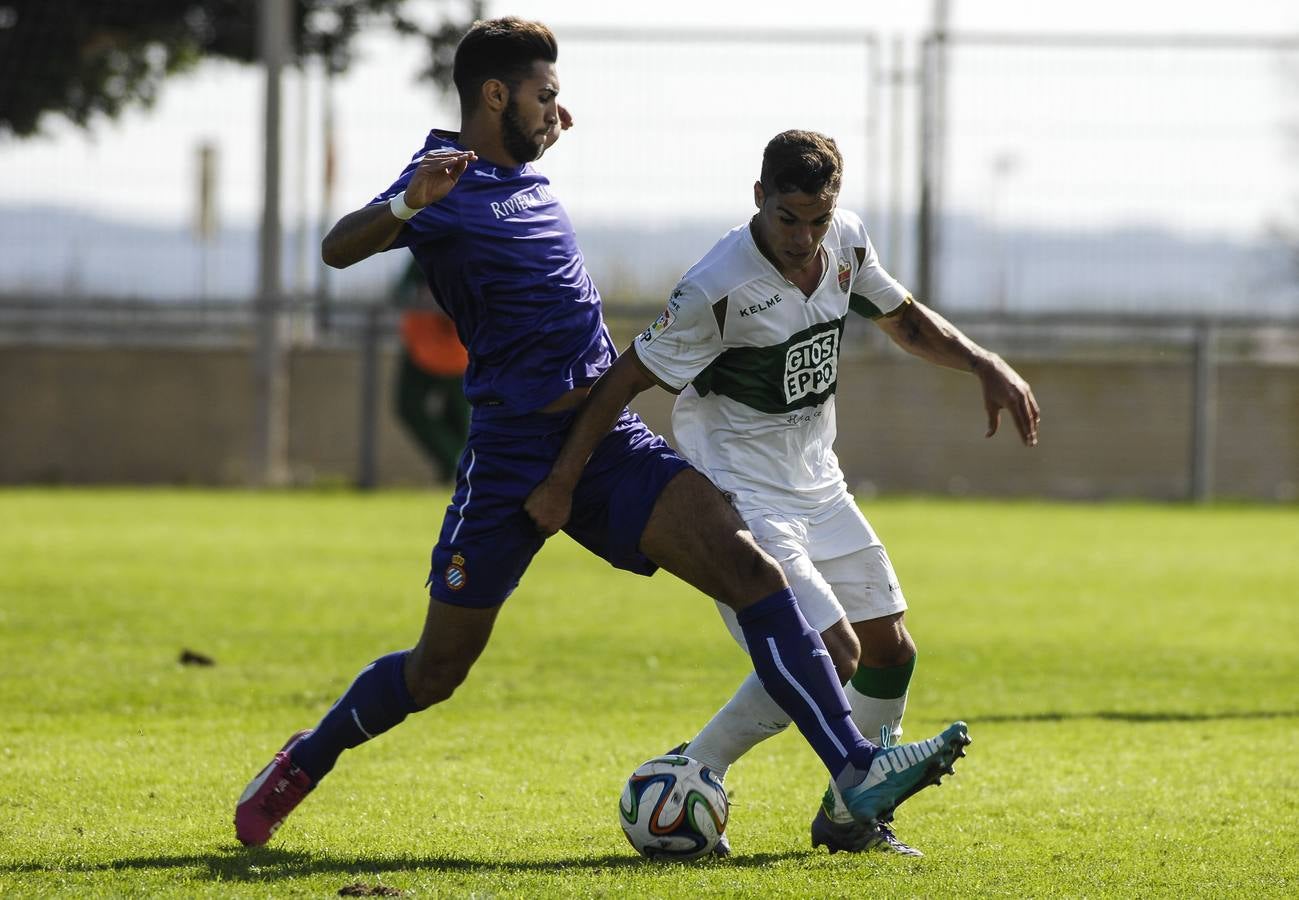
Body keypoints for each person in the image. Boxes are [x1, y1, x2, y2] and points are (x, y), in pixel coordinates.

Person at [234, 18, 970, 850]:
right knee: (437, 670)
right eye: (546, 95)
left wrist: (541, 129)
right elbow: (337, 249)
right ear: (494, 95)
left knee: (750, 568)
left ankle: (852, 771)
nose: (559, 110)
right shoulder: (442, 181)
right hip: (515, 454)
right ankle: (307, 758)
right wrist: (406, 202)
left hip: (608, 441)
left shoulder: (524, 176)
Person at [525, 130, 1040, 856]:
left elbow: (901, 318)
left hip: (816, 479)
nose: (803, 238)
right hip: (741, 491)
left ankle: (848, 815)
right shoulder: (718, 285)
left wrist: (981, 361)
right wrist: (560, 483)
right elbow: (625, 377)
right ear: (759, 198)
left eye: (817, 220)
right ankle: (694, 766)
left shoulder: (847, 244)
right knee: (829, 648)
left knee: (890, 648)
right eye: (787, 219)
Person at [393, 261, 471, 482]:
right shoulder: (424, 251)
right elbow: (401, 292)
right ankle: (453, 463)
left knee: (460, 421)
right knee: (409, 407)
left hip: (461, 354)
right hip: (422, 347)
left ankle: (456, 470)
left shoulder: (478, 249)